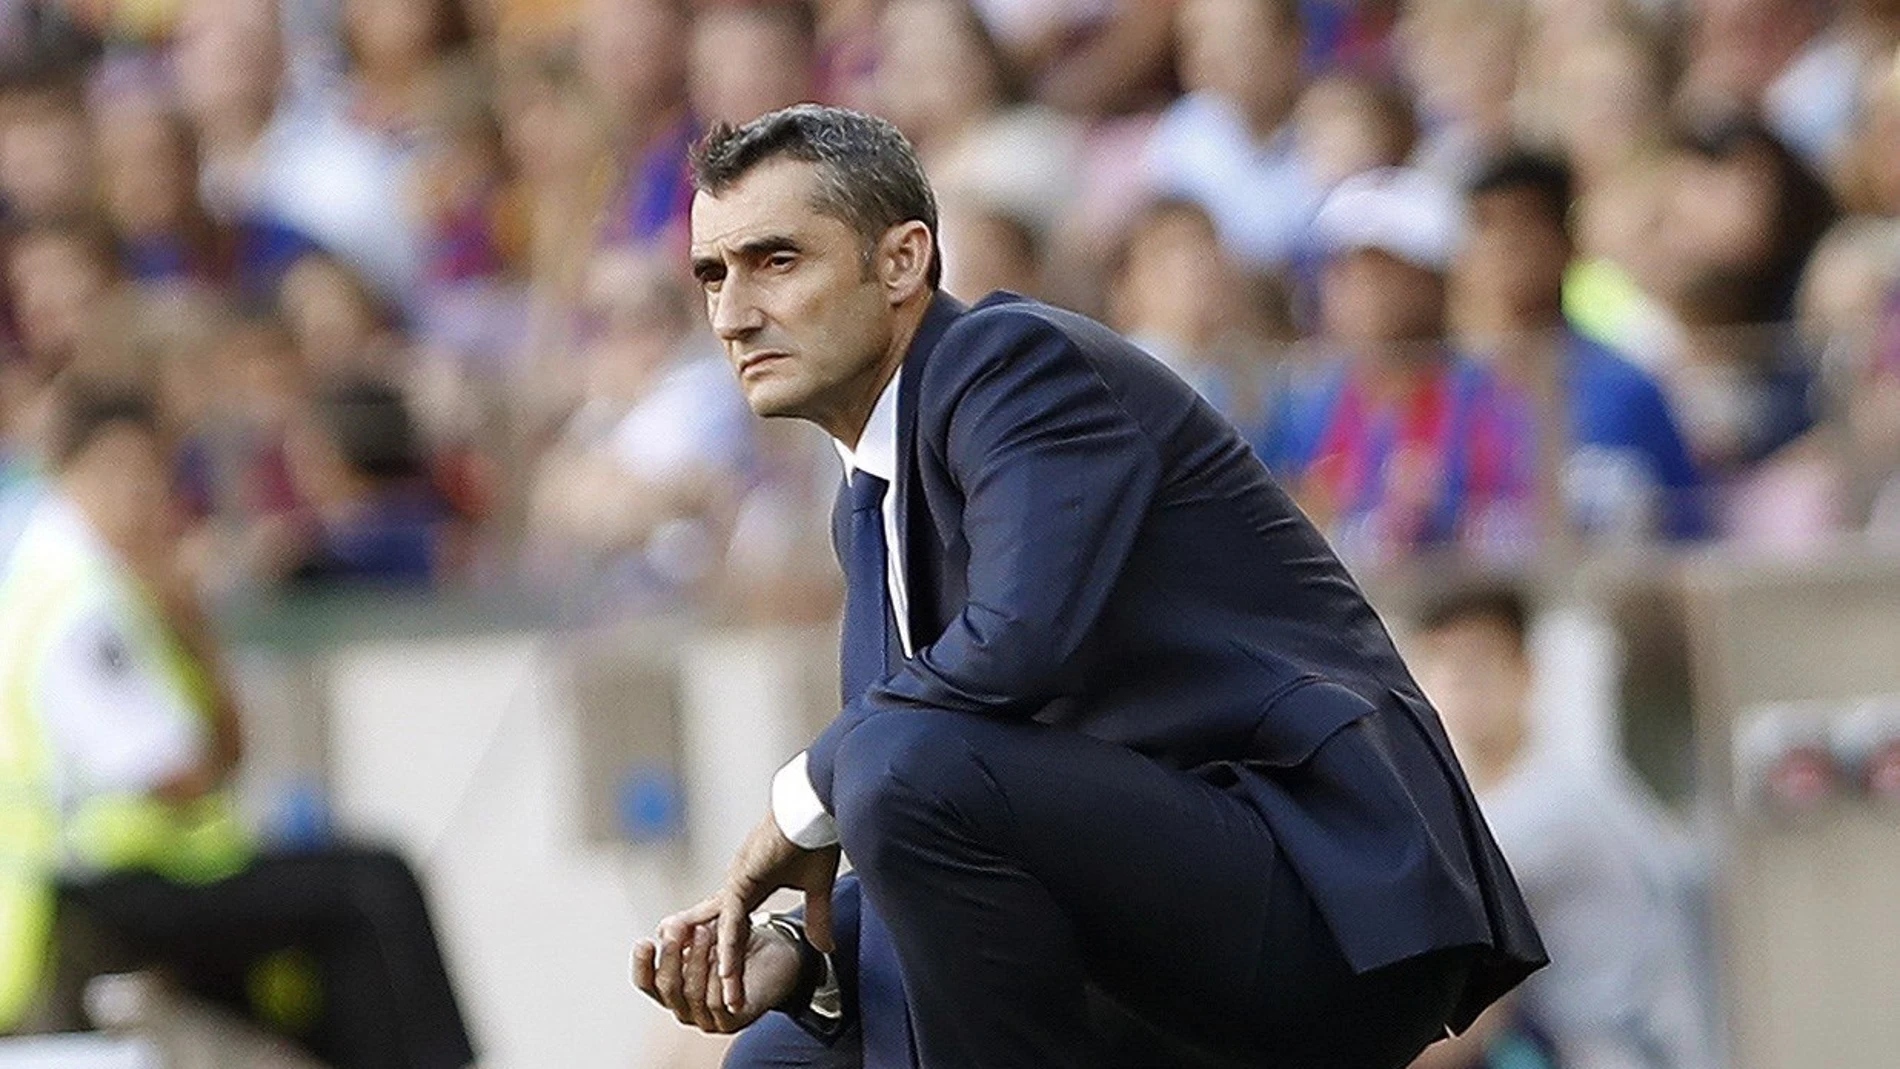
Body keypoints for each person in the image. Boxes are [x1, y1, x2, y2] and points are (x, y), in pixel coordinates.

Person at [631, 104, 1544, 1069]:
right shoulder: (866, 502)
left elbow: (1007, 658)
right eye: (711, 274)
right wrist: (803, 953)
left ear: (901, 261)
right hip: (1150, 913)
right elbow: (971, 810)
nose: (732, 313)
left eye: (776, 260)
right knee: (776, 1059)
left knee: (895, 760)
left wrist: (799, 797)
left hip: (1321, 892)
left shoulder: (1013, 364)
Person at [0, 381, 476, 1067]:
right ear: (74, 473)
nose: (143, 496)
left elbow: (220, 754)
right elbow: (182, 771)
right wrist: (190, 628)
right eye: (123, 473)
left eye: (152, 475)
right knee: (373, 886)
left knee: (334, 924)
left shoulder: (76, 581)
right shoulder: (82, 600)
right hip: (106, 884)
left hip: (123, 878)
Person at [1408, 584, 1719, 1069]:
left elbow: (1468, 1025)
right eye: (1442, 666)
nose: (1459, 685)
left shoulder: (1552, 806)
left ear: (1525, 673)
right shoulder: (1534, 789)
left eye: (1477, 664)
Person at [1253, 167, 1538, 565]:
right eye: (1345, 271)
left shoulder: (1486, 396)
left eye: (1387, 271)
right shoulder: (1307, 402)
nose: (1364, 292)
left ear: (1433, 281)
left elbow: (1521, 523)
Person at [1453, 151, 1709, 543]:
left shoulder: (1627, 388)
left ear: (1566, 241)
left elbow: (1686, 527)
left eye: (1523, 226)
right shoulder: (1454, 396)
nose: (1505, 248)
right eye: (1486, 227)